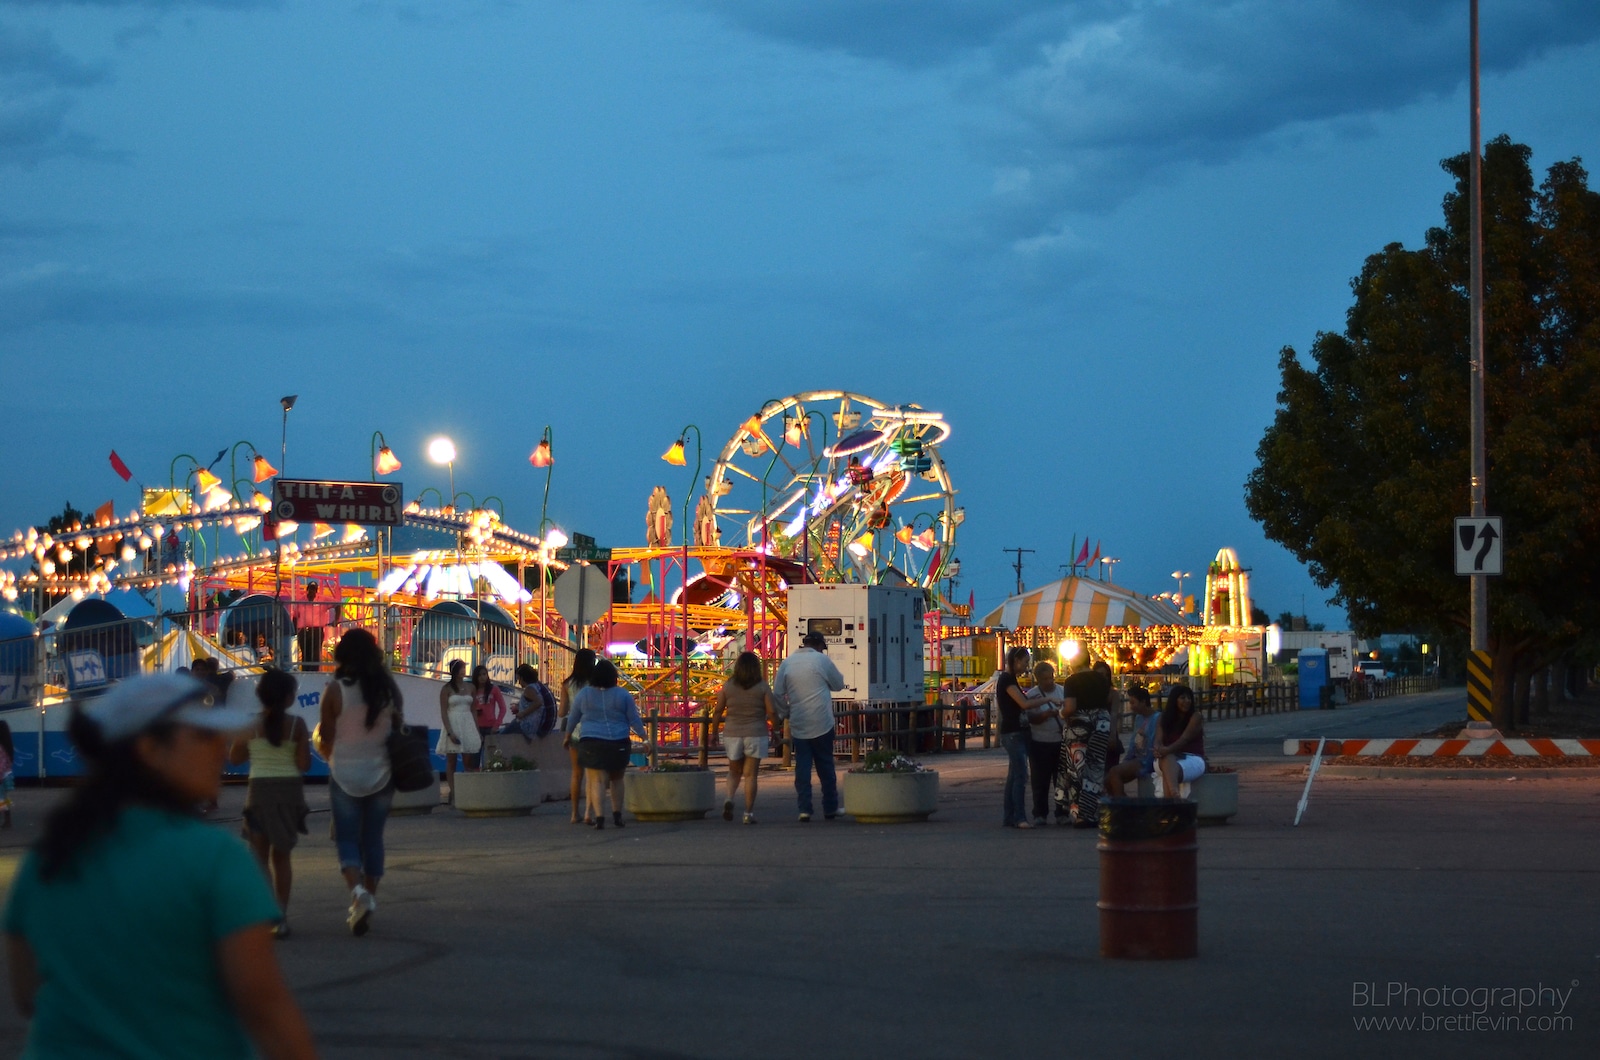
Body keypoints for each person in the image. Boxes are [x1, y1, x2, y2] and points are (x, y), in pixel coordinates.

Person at [3, 673, 317, 1058]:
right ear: (151, 750)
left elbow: (27, 993)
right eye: (202, 736)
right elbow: (264, 1007)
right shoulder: (213, 859)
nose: (219, 747)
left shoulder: (47, 859)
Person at [317, 628, 401, 937]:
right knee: (373, 838)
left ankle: (358, 895)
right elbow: (397, 726)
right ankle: (369, 897)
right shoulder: (387, 689)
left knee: (348, 839)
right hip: (382, 774)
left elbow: (325, 736)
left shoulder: (335, 691)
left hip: (344, 774)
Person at [228, 670, 311, 939]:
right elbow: (304, 765)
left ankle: (267, 914)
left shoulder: (250, 725)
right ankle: (282, 917)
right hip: (289, 793)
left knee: (259, 857)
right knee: (282, 857)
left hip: (259, 793)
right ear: (288, 698)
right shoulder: (298, 725)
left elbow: (236, 758)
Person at [770, 632, 846, 822]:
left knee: (802, 767)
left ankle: (804, 808)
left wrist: (786, 712)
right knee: (826, 766)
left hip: (799, 721)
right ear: (819, 645)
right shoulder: (821, 660)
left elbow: (778, 694)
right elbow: (838, 685)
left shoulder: (787, 663)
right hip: (822, 721)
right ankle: (830, 807)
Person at [563, 659, 645, 830]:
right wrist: (645, 738)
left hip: (592, 741)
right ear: (614, 677)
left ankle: (600, 817)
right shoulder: (623, 695)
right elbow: (634, 720)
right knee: (617, 779)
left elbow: (573, 718)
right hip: (619, 741)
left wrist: (568, 735)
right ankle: (617, 815)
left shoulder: (584, 694)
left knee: (597, 781)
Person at [711, 651, 780, 824]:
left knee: (734, 771)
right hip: (756, 733)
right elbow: (771, 711)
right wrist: (776, 730)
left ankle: (729, 798)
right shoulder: (762, 686)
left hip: (733, 733)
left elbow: (718, 710)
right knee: (750, 775)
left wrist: (713, 732)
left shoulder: (728, 686)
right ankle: (748, 814)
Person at [1054, 655, 1114, 827]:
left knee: (1076, 769)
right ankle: (1093, 813)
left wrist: (1060, 713)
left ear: (1074, 661)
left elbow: (1070, 707)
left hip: (1079, 724)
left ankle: (1080, 815)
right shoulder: (1101, 679)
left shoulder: (1072, 681)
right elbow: (1108, 699)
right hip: (1102, 722)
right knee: (1096, 767)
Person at [994, 646, 1034, 828]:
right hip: (1012, 732)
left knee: (1014, 775)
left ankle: (1009, 816)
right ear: (1016, 661)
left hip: (1014, 731)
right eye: (1025, 662)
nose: (1026, 666)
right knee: (1020, 775)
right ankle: (1019, 816)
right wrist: (1047, 700)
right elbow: (1024, 703)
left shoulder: (1009, 680)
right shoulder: (1007, 680)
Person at [1023, 660, 1064, 827]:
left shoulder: (1063, 691)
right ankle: (1040, 813)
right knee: (1040, 781)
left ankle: (1062, 812)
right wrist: (1045, 715)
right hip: (1039, 742)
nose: (1049, 681)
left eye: (1051, 678)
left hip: (1060, 741)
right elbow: (1030, 718)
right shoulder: (1032, 695)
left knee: (1061, 780)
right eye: (1045, 679)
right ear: (1038, 679)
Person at [560, 649, 597, 824]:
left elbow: (562, 712)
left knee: (576, 773)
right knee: (592, 774)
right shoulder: (595, 683)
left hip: (574, 732)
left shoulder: (567, 684)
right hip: (593, 731)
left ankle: (575, 813)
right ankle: (590, 812)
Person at [1105, 685, 1158, 798]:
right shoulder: (1139, 718)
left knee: (1114, 772)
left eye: (1133, 703)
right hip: (1137, 758)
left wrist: (1146, 766)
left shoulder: (1157, 718)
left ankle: (1122, 807)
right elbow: (1134, 742)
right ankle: (1124, 803)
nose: (1131, 706)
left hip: (1147, 760)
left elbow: (1154, 743)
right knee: (1108, 780)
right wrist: (1127, 759)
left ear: (1143, 702)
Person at [1154, 683, 1206, 798]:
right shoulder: (1162, 718)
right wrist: (1157, 749)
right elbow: (1158, 740)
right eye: (1182, 698)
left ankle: (1171, 801)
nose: (1187, 701)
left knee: (1169, 769)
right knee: (1168, 760)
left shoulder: (1195, 717)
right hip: (1166, 758)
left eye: (1189, 698)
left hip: (1192, 758)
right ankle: (1175, 794)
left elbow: (1184, 740)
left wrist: (1165, 750)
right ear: (1174, 700)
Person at [435, 659, 478, 796]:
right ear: (454, 670)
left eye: (464, 668)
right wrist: (450, 732)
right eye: (461, 668)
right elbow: (443, 711)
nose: (463, 671)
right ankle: (453, 792)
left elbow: (474, 709)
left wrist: (476, 728)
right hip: (453, 722)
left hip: (467, 723)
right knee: (451, 760)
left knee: (468, 760)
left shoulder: (471, 687)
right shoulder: (446, 689)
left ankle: (468, 791)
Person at [506, 662, 557, 740]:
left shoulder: (530, 689)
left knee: (503, 733)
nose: (519, 682)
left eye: (519, 679)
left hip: (536, 729)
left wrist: (523, 713)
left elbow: (539, 702)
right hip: (545, 726)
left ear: (522, 678)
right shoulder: (539, 686)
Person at [469, 664, 508, 752]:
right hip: (476, 728)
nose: (482, 677)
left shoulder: (494, 689)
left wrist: (497, 725)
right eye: (479, 675)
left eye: (484, 674)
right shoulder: (472, 690)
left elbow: (503, 708)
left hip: (491, 728)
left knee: (491, 757)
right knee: (474, 758)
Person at [0, 718, 13, 828]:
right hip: (7, 775)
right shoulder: (7, 746)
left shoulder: (0, 748)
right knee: (3, 798)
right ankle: (7, 820)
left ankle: (7, 821)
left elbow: (1, 764)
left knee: (1, 799)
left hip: (1, 776)